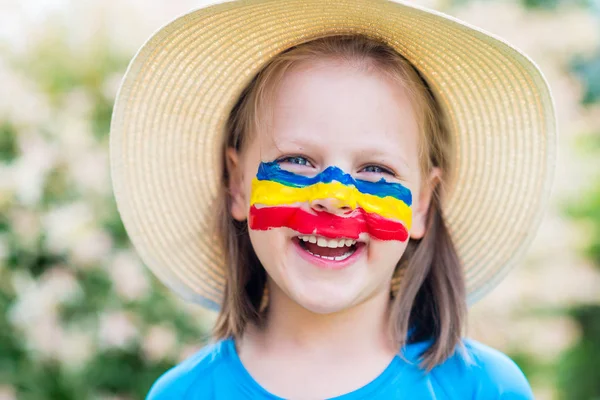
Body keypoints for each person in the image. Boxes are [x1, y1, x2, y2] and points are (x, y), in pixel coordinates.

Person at [109, 0, 556, 398]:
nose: (335, 199)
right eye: (297, 160)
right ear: (237, 183)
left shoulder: (483, 388)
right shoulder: (183, 393)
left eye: (376, 170)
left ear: (422, 203)